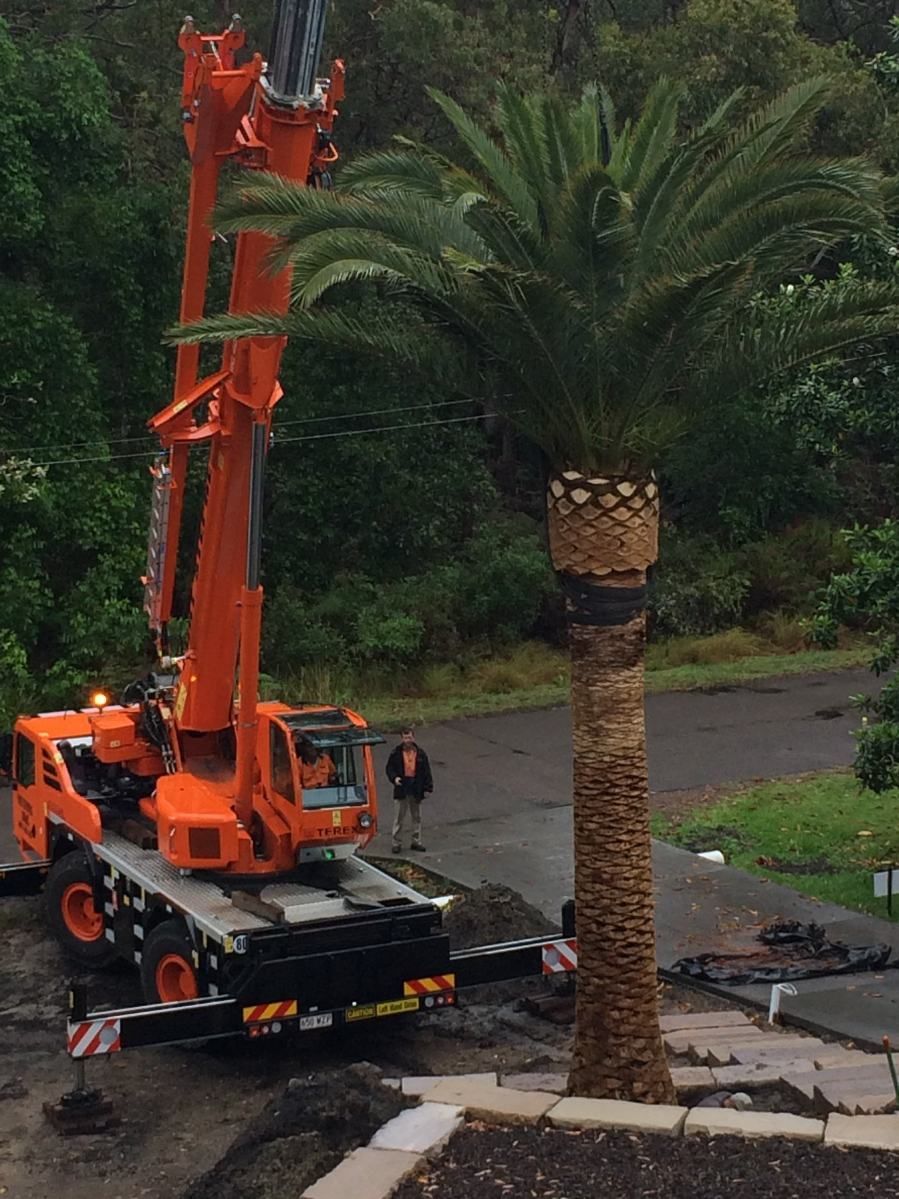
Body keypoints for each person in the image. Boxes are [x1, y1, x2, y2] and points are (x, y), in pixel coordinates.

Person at [386, 727, 433, 853]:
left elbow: (426, 771)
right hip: (402, 787)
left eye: (410, 737)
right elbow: (389, 768)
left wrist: (428, 788)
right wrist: (394, 778)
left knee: (417, 817)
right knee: (399, 817)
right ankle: (396, 843)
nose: (408, 740)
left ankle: (416, 841)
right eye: (405, 738)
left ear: (413, 738)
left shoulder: (420, 753)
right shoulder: (395, 753)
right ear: (402, 739)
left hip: (416, 787)